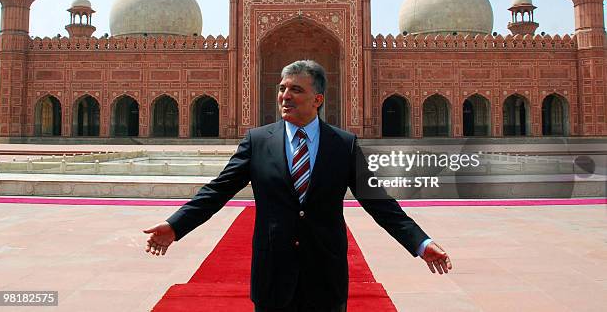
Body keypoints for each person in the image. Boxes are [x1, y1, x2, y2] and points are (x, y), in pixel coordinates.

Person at [144, 60, 452, 312]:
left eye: (295, 89)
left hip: (325, 273)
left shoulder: (343, 144)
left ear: (317, 99)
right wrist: (175, 226)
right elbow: (217, 191)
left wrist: (421, 244)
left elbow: (379, 202)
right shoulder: (258, 141)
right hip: (273, 273)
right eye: (281, 89)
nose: (284, 96)